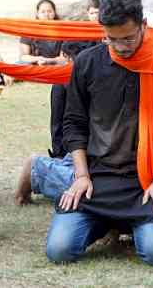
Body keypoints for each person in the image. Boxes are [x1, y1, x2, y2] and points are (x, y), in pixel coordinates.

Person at [45, 0, 153, 267]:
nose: (121, 47)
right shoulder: (87, 63)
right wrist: (80, 176)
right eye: (112, 39)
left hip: (147, 182)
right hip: (96, 180)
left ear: (143, 25)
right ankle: (104, 221)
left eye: (128, 38)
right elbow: (74, 125)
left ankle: (120, 224)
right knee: (60, 250)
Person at [14, 40, 97, 206]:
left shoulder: (95, 78)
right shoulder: (62, 84)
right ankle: (36, 166)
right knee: (87, 191)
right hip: (75, 150)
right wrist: (59, 151)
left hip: (93, 151)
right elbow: (59, 123)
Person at [19, 0, 67, 65]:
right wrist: (39, 59)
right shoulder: (29, 31)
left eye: (50, 11)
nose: (46, 14)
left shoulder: (63, 31)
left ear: (54, 13)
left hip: (56, 66)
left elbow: (64, 60)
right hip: (35, 65)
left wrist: (47, 61)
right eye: (43, 12)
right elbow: (23, 57)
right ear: (38, 14)